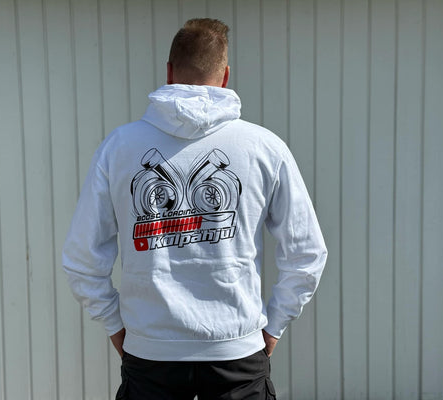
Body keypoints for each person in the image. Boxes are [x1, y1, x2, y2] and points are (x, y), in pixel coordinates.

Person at [62, 18, 327, 400]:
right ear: (226, 76)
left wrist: (118, 329)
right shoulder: (265, 148)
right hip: (237, 355)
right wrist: (272, 328)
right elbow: (307, 253)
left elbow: (82, 259)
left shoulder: (118, 148)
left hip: (150, 356)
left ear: (169, 72)